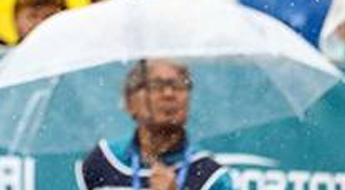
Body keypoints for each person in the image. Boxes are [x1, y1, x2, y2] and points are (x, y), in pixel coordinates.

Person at [77, 60, 233, 190]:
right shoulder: (103, 162)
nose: (168, 94)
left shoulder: (210, 176)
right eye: (156, 85)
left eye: (178, 85)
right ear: (130, 101)